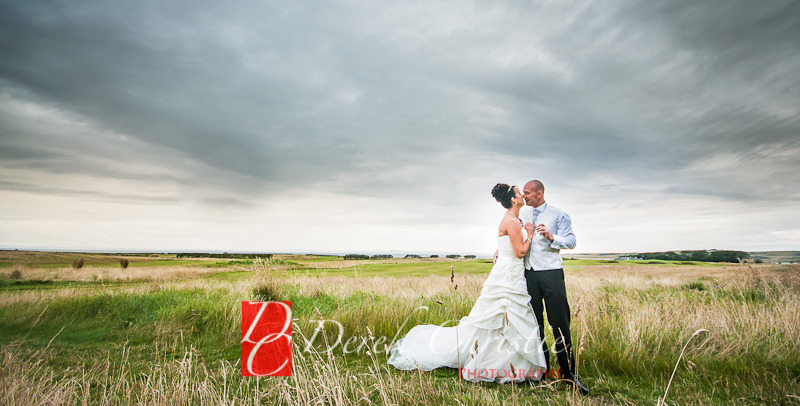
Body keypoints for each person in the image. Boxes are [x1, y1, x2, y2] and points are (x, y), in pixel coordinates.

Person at [388, 184, 547, 383]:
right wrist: (530, 235)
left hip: (511, 274)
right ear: (514, 200)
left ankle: (506, 362)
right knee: (502, 316)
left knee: (506, 318)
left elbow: (507, 246)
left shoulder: (515, 220)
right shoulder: (512, 221)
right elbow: (520, 252)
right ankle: (498, 363)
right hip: (508, 277)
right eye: (519, 193)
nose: (523, 195)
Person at [519, 180, 588, 395]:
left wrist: (551, 237)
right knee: (534, 323)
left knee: (559, 322)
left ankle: (569, 373)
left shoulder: (559, 215)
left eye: (527, 192)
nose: (524, 196)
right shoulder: (523, 215)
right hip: (528, 274)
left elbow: (571, 241)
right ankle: (543, 370)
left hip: (551, 274)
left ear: (539, 193)